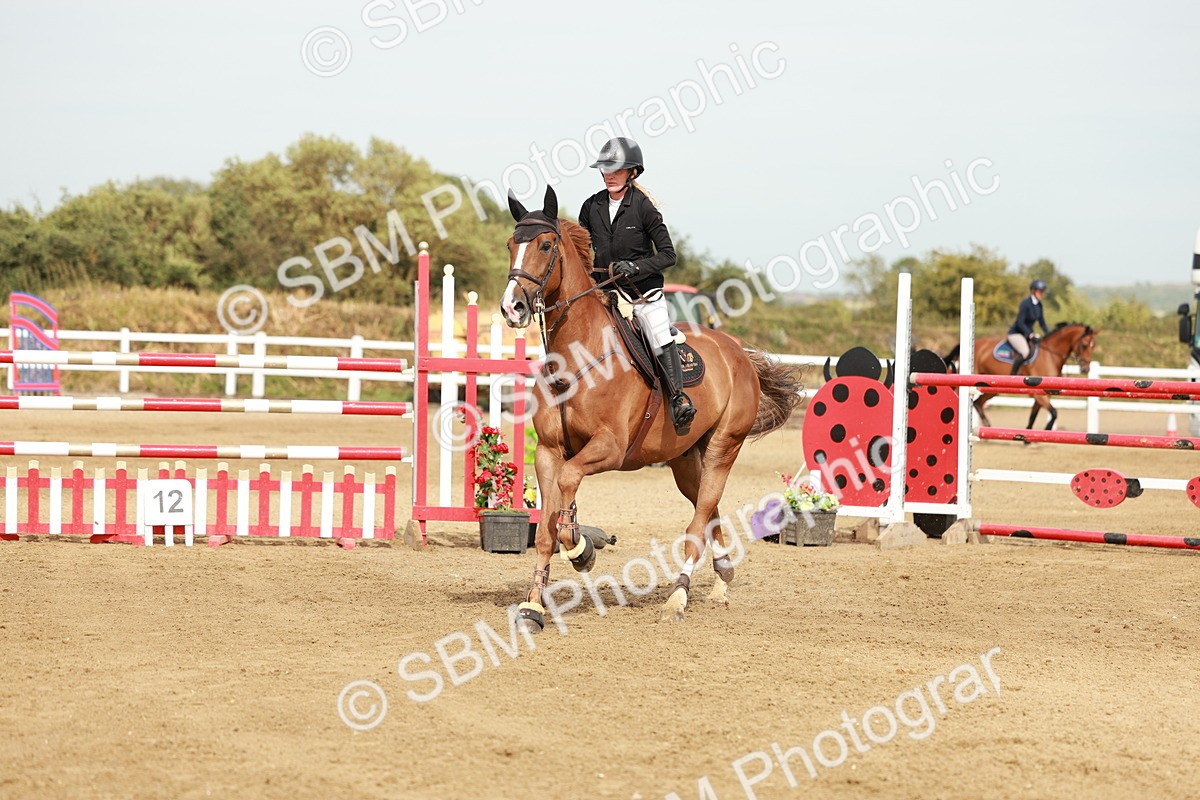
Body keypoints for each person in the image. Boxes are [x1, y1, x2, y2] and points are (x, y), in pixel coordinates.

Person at [578, 137, 696, 434]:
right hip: (606, 292)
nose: (609, 174)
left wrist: (635, 267)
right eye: (605, 169)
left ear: (632, 172)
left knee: (657, 333)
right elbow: (581, 250)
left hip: (642, 294)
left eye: (615, 169)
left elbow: (669, 255)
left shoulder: (643, 208)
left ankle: (679, 400)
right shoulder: (591, 206)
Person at [1008, 279, 1051, 374]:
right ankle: (1013, 375)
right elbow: (1020, 322)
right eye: (1040, 291)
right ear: (1033, 291)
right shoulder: (1025, 303)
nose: (1042, 294)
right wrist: (1030, 335)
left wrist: (1050, 335)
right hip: (1016, 333)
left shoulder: (1039, 305)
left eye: (1043, 292)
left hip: (1028, 334)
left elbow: (1042, 323)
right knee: (1025, 351)